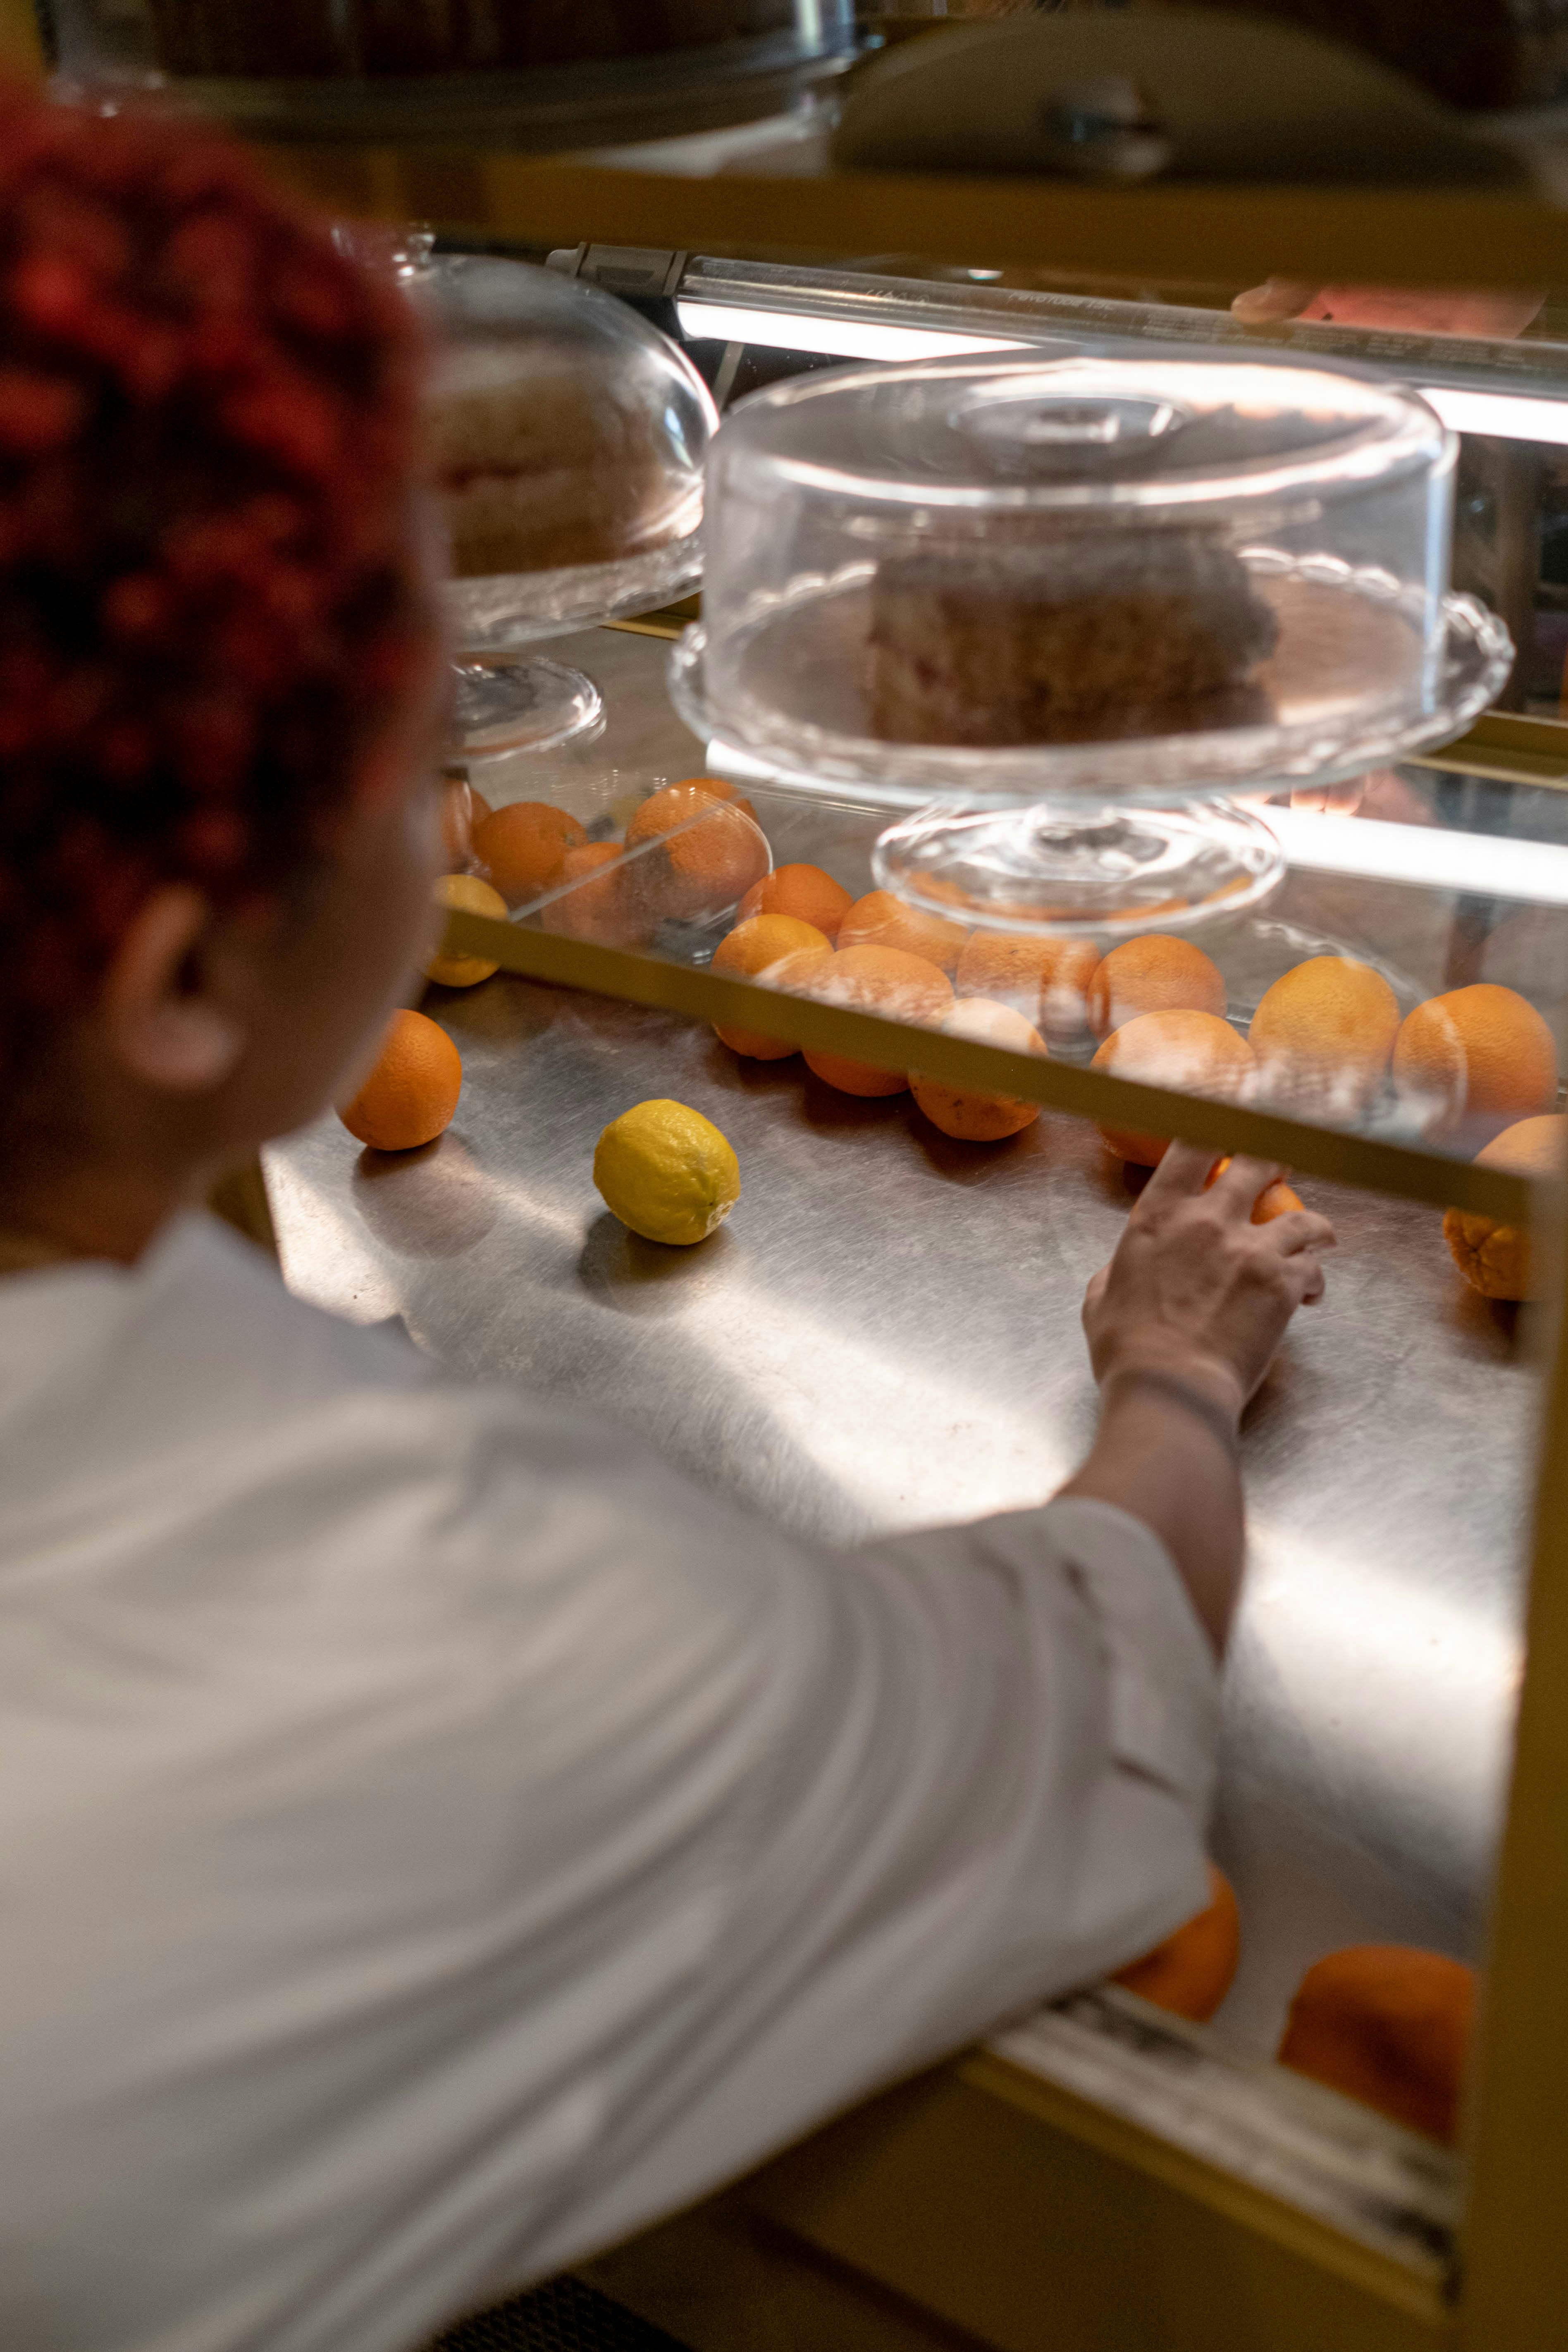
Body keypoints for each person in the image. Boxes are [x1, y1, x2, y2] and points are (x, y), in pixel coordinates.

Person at [0, 86, 1336, 2352]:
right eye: (422, 740)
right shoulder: (431, 1632)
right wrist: (1179, 1375)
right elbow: (1081, 1688)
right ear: (186, 978)